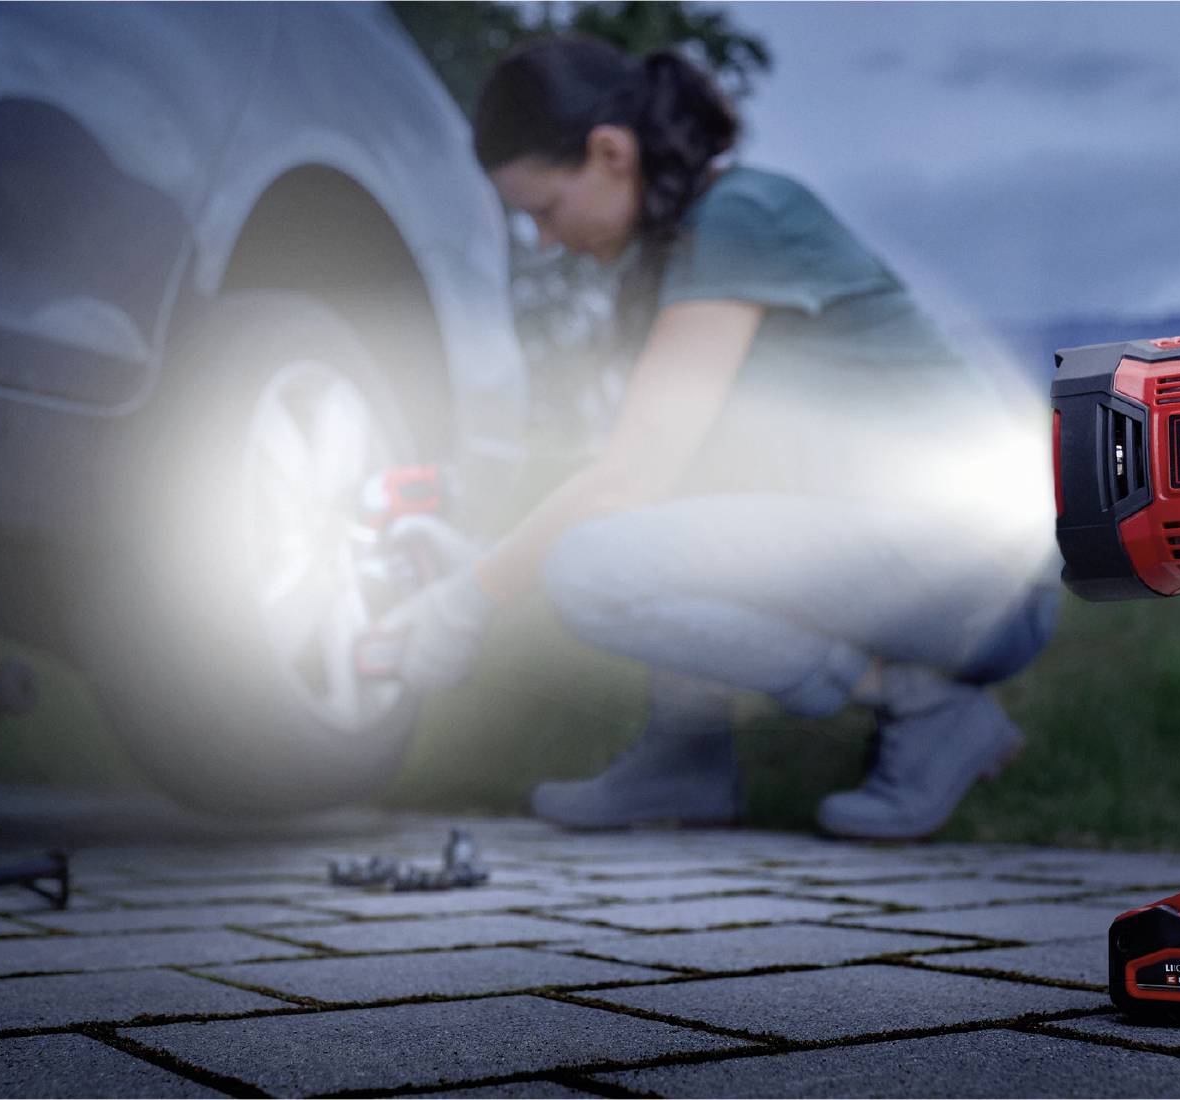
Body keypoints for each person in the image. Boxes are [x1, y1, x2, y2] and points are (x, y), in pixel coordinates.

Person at [378, 36, 1058, 839]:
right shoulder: (684, 255)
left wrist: (469, 599)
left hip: (980, 583)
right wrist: (485, 555)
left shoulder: (740, 218)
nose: (545, 242)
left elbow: (627, 477)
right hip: (920, 563)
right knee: (643, 526)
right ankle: (686, 757)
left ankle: (922, 705)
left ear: (609, 152)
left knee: (590, 569)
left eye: (545, 210)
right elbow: (662, 480)